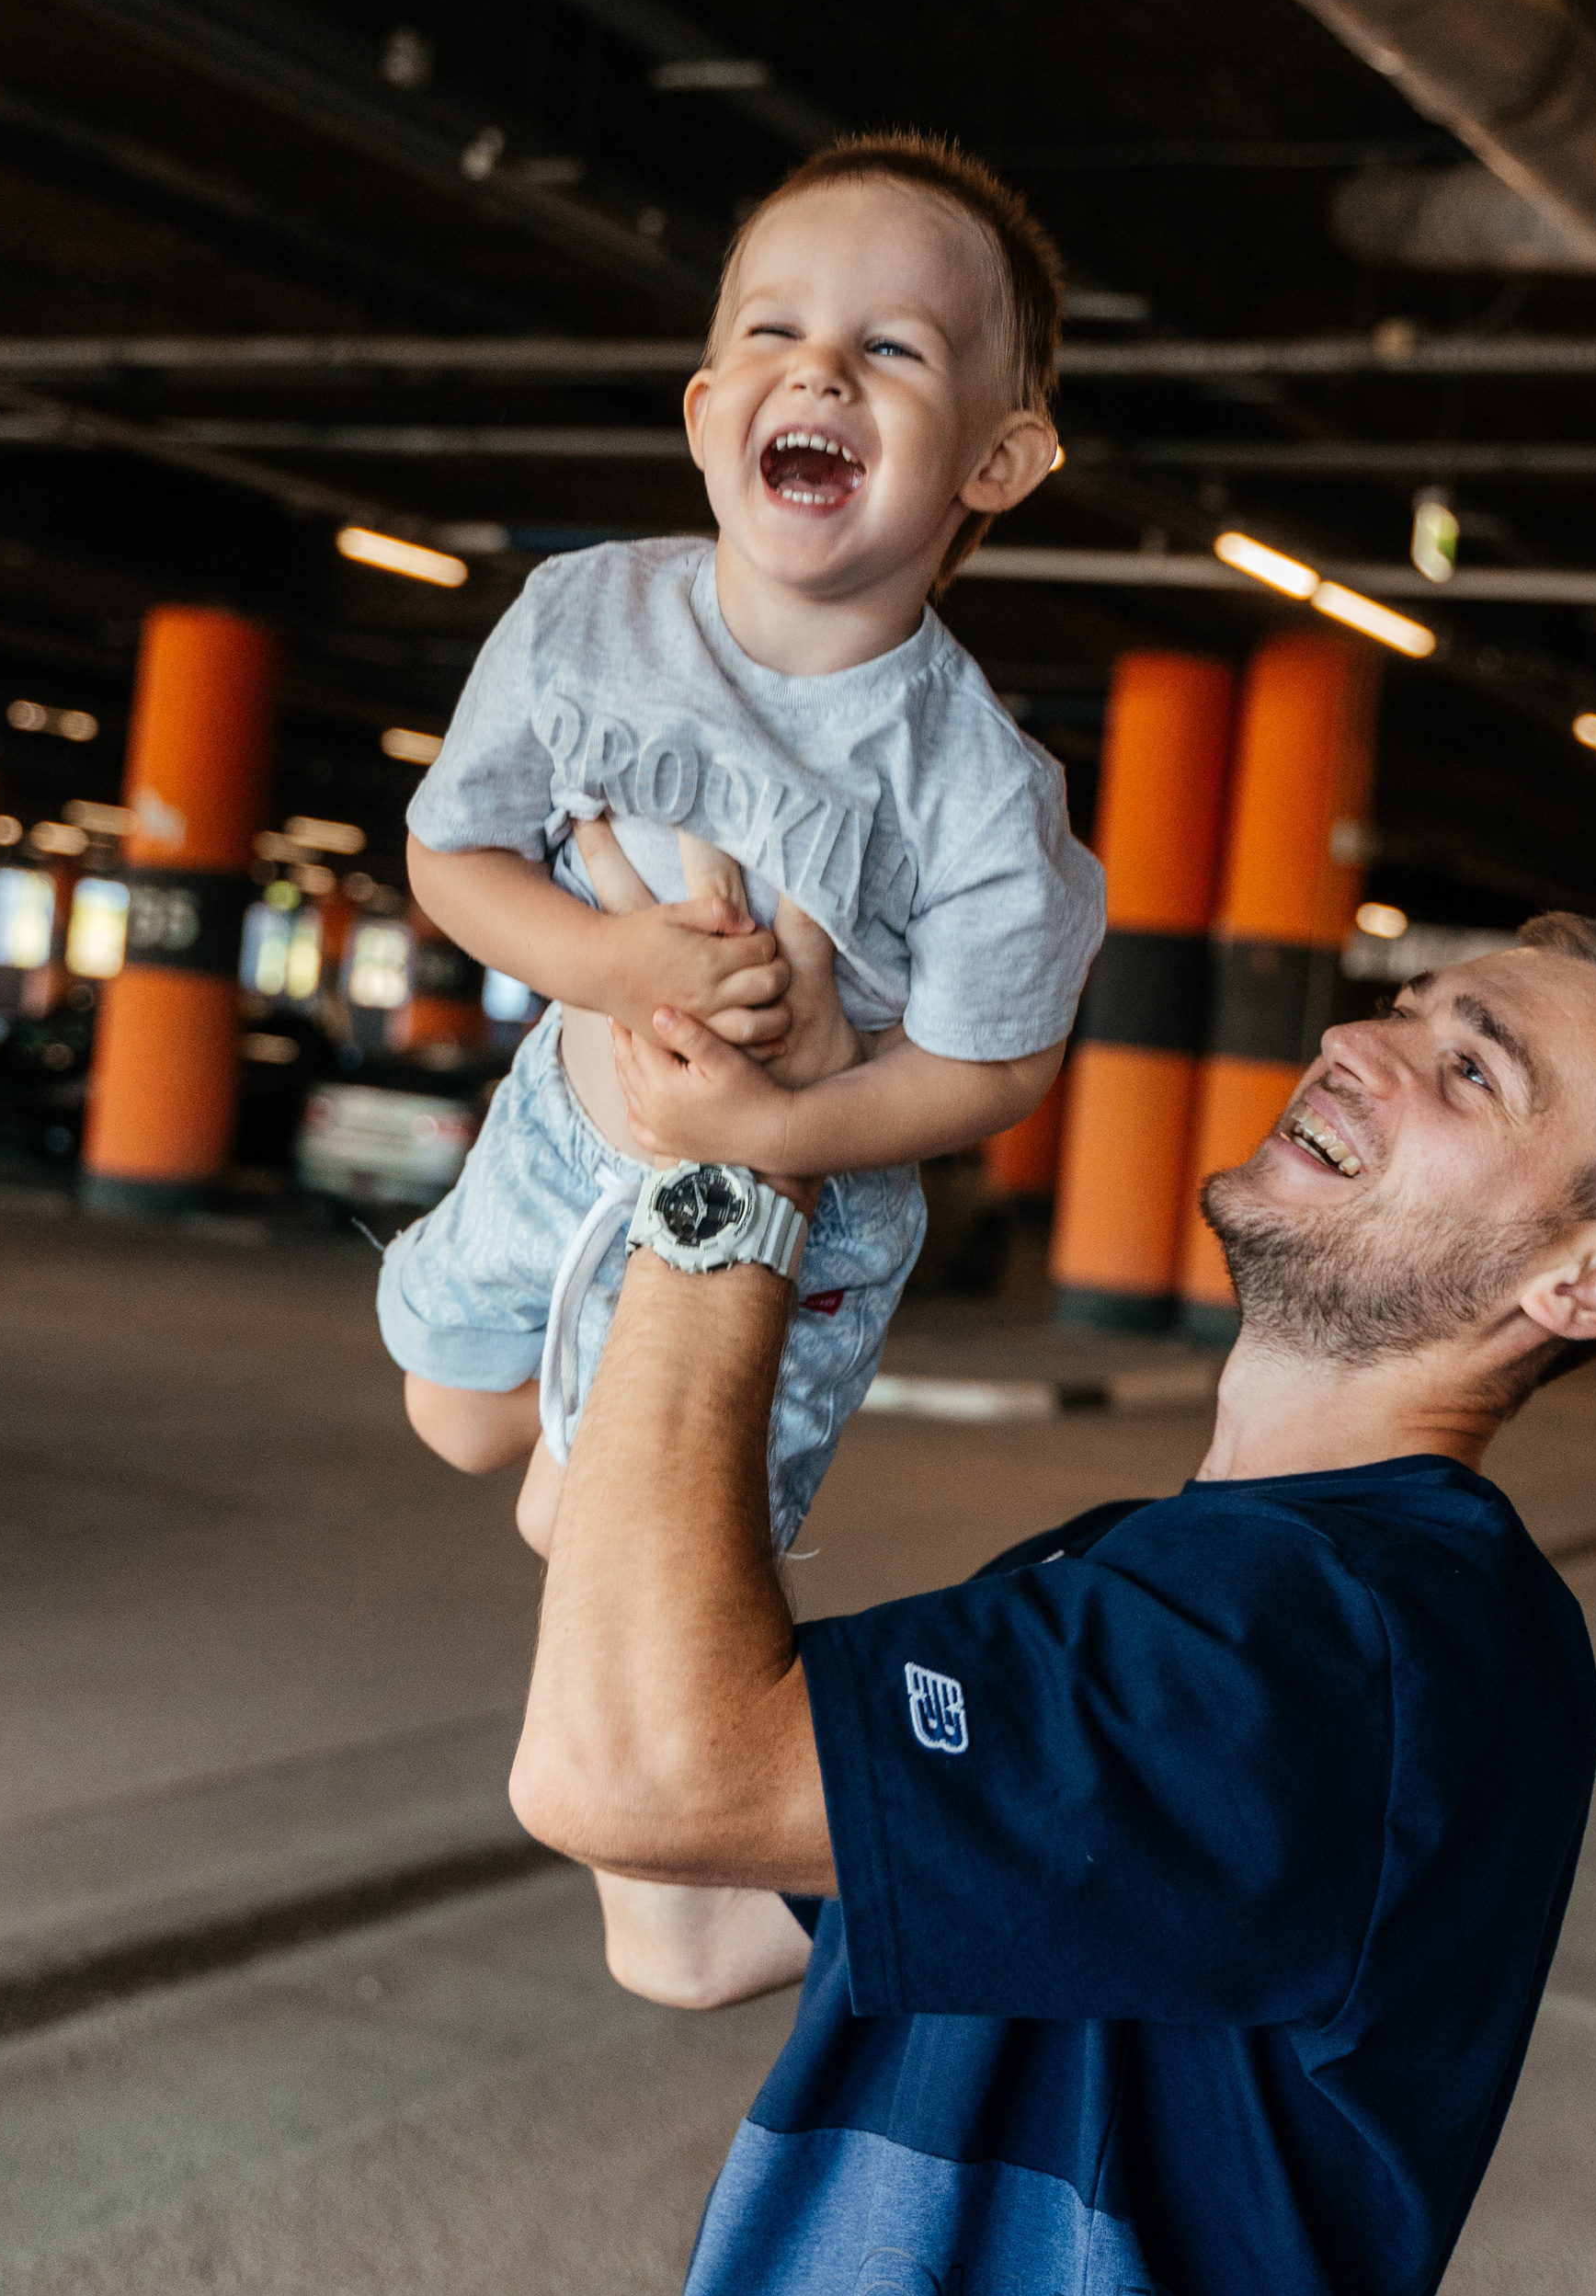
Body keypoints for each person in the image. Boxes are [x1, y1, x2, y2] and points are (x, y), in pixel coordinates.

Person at [507, 911, 1596, 2296]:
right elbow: (688, 1930)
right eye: (1411, 1006)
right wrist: (616, 1499)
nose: (1368, 1042)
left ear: (1585, 1280)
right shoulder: (1157, 1578)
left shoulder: (1345, 1629)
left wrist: (737, 1180)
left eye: (1472, 1069)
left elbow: (642, 1777)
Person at [379, 133, 1104, 1556]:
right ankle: (575, 1389)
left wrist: (774, 1129)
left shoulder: (981, 786)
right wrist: (606, 959)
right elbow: (447, 855)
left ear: (999, 462)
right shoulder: (581, 622)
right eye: (777, 328)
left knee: (600, 1539)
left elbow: (1001, 1063)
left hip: (795, 1215)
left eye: (892, 349)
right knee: (450, 1412)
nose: (822, 369)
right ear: (711, 414)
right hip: (565, 1129)